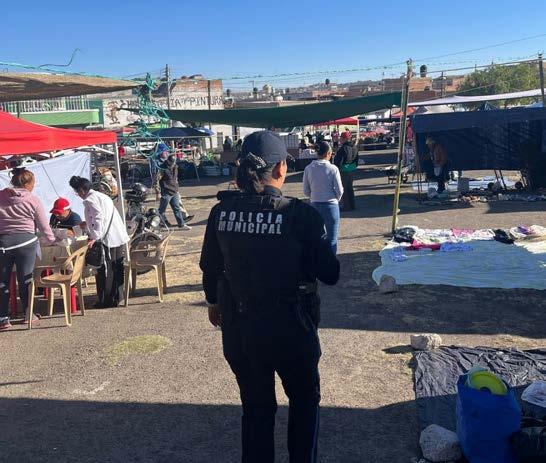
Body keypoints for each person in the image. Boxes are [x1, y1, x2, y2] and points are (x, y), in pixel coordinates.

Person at [200, 130, 340, 463]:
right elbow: (330, 273)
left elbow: (210, 267)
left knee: (256, 409)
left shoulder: (221, 212)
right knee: (304, 402)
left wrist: (214, 302)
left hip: (241, 329)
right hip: (291, 327)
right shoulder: (300, 215)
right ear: (280, 168)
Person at [0, 168, 56, 330]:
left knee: (2, 281)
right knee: (25, 279)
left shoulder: (1, 196)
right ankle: (28, 314)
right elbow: (44, 226)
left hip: (3, 243)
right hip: (26, 243)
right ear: (28, 184)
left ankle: (3, 318)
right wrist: (51, 240)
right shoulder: (33, 200)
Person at [69, 176, 129, 308]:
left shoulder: (90, 200)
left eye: (77, 192)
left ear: (81, 190)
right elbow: (100, 217)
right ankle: (117, 297)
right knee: (116, 267)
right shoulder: (102, 196)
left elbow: (98, 218)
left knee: (106, 269)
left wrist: (94, 237)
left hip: (108, 238)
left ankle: (107, 300)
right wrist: (88, 225)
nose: (78, 195)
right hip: (115, 234)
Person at [303, 141, 343, 254]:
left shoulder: (308, 168)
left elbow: (305, 190)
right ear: (328, 153)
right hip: (331, 205)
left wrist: (313, 196)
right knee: (332, 239)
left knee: (316, 238)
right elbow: (339, 190)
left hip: (315, 205)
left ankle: (317, 261)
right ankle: (331, 262)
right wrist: (336, 199)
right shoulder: (333, 168)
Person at [157, 154, 193, 229]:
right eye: (171, 163)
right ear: (168, 161)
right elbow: (156, 180)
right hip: (166, 191)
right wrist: (158, 192)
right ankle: (158, 223)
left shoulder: (175, 167)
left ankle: (181, 225)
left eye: (173, 163)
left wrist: (177, 186)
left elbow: (175, 178)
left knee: (177, 208)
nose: (172, 164)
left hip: (174, 190)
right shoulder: (162, 168)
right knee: (161, 210)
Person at [334, 131, 359, 211]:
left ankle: (346, 206)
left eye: (340, 138)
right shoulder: (354, 147)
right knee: (350, 188)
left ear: (344, 139)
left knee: (344, 188)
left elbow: (339, 161)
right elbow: (356, 160)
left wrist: (336, 168)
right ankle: (352, 205)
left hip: (343, 170)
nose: (340, 140)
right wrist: (353, 167)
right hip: (351, 169)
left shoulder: (343, 148)